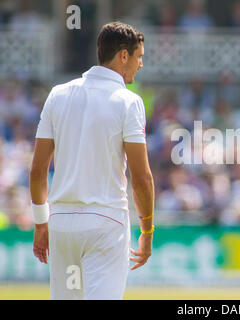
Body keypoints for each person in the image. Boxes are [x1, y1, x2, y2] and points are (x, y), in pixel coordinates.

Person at [29, 21, 155, 300]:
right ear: (123, 55)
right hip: (105, 223)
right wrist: (147, 229)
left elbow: (38, 170)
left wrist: (41, 223)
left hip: (61, 223)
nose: (141, 65)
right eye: (139, 57)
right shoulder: (128, 102)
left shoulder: (58, 94)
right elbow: (142, 178)